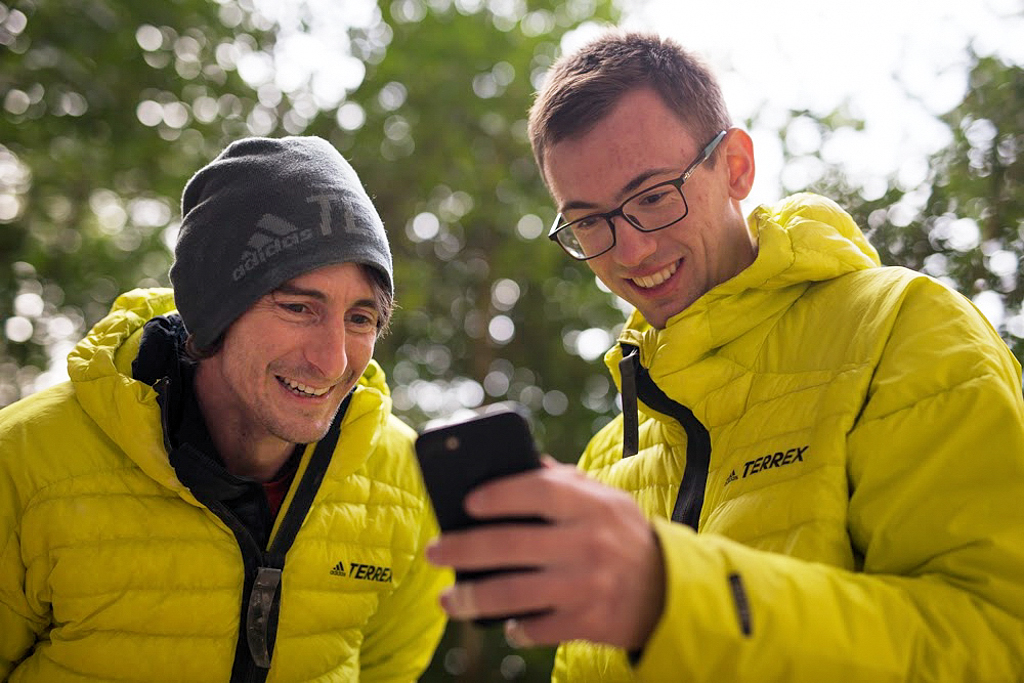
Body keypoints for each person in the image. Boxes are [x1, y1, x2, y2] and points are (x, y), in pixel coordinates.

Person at [426, 30, 1024, 681]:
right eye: (590, 222)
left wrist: (672, 595)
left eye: (654, 196)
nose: (629, 253)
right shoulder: (609, 453)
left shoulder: (905, 329)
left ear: (736, 165)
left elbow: (995, 641)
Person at [0, 136, 449, 681]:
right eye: (297, 307)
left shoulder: (404, 479)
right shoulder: (23, 462)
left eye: (360, 319)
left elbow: (388, 670)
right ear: (213, 312)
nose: (332, 362)